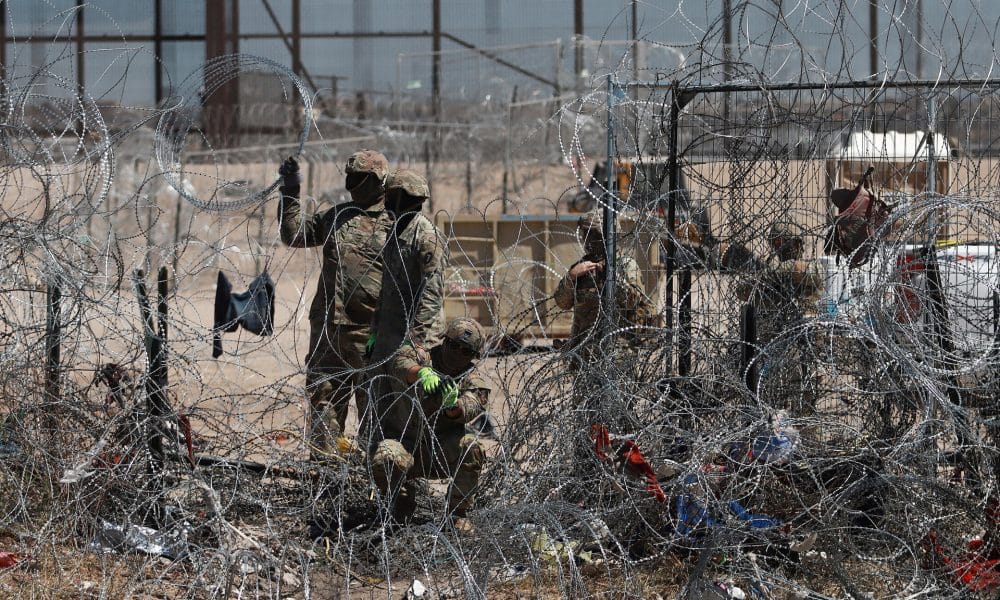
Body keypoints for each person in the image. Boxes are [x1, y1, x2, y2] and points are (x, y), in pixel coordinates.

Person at [277, 150, 392, 462]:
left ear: (380, 181)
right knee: (324, 405)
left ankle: (370, 486)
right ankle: (325, 482)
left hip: (371, 335)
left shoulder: (395, 223)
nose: (353, 183)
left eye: (362, 178)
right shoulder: (336, 216)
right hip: (329, 331)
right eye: (351, 177)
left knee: (376, 412)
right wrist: (290, 191)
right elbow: (294, 235)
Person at [370, 318, 490, 528]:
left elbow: (471, 406)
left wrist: (453, 406)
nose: (456, 353)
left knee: (472, 447)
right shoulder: (421, 356)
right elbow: (400, 363)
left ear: (473, 357)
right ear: (444, 341)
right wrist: (422, 373)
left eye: (465, 351)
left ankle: (457, 514)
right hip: (405, 445)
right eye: (453, 345)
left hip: (441, 451)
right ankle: (401, 502)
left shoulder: (473, 380)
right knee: (385, 456)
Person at [553, 210, 653, 368]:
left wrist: (610, 276)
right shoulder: (582, 268)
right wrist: (571, 277)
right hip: (585, 354)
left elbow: (631, 302)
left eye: (593, 234)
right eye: (585, 234)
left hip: (618, 354)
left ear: (608, 236)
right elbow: (562, 302)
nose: (588, 240)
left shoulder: (626, 266)